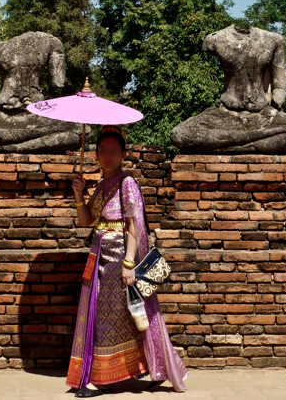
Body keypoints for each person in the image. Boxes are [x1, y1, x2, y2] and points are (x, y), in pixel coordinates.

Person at [67, 126, 188, 397]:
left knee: (116, 317)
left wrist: (129, 263)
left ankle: (104, 379)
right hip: (100, 257)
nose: (106, 155)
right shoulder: (100, 187)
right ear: (95, 155)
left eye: (112, 150)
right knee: (106, 316)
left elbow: (135, 225)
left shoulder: (127, 183)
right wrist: (79, 194)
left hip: (120, 259)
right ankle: (137, 370)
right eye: (101, 150)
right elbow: (87, 222)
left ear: (123, 153)